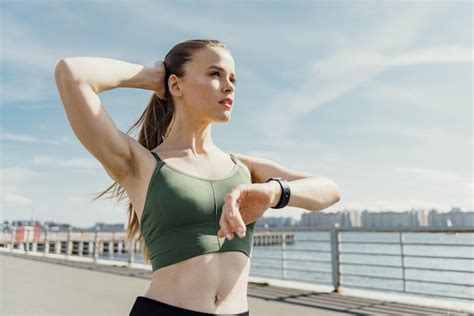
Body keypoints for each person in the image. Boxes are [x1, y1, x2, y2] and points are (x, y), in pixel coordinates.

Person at [54, 39, 341, 315]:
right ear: (176, 84)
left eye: (233, 78)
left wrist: (272, 193)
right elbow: (72, 73)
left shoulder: (243, 167)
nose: (229, 86)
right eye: (215, 74)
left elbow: (329, 190)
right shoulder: (141, 164)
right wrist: (153, 76)